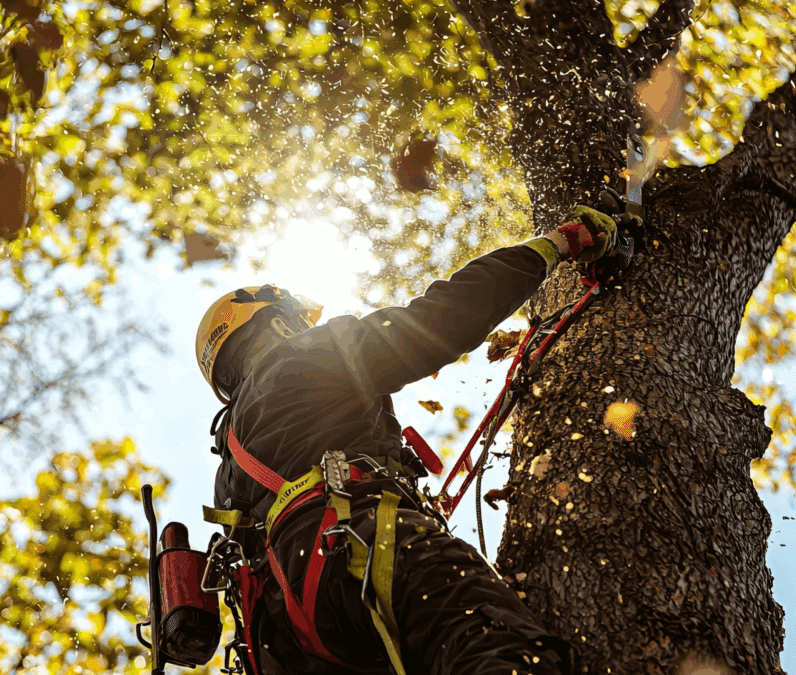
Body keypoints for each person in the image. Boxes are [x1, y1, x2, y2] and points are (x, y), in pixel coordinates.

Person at [196, 207, 619, 675]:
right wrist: (556, 245)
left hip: (294, 639)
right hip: (361, 549)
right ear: (277, 325)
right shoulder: (301, 357)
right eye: (294, 321)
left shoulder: (228, 471)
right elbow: (441, 319)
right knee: (502, 652)